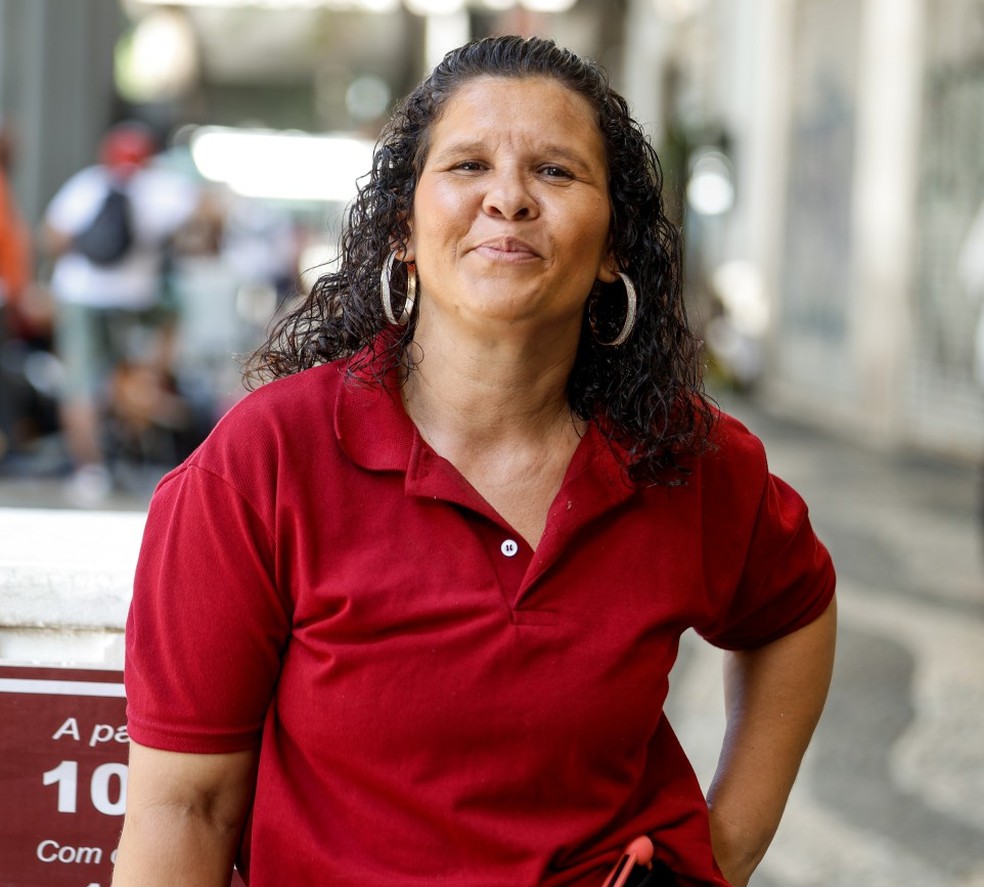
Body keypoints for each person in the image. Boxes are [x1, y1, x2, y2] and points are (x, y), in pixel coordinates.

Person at [115, 36, 836, 887]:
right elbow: (185, 807)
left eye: (557, 172)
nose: (509, 199)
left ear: (615, 249)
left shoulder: (679, 456)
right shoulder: (265, 464)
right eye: (466, 165)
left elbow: (794, 611)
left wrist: (727, 849)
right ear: (404, 229)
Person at [42, 120, 200, 503]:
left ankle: (90, 470)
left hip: (78, 295)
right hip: (134, 302)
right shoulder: (163, 190)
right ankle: (145, 405)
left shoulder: (87, 184)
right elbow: (204, 220)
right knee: (140, 368)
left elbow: (51, 237)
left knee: (79, 384)